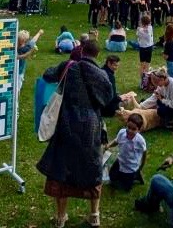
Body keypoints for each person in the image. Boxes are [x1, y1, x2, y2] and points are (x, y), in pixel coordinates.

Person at [37, 38, 119, 228]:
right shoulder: (102, 75)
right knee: (94, 168)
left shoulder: (69, 66)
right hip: (91, 125)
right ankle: (94, 214)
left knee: (62, 170)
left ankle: (60, 217)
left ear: (82, 51)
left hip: (66, 122)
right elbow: (108, 100)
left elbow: (47, 74)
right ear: (97, 55)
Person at [106, 113, 148, 191]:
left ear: (139, 130)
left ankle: (136, 175)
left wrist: (141, 166)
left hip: (131, 166)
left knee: (125, 188)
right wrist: (108, 145)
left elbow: (144, 153)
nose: (129, 131)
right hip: (120, 161)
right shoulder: (122, 132)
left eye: (133, 129)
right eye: (128, 127)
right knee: (112, 177)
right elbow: (117, 141)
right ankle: (127, 175)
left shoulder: (140, 141)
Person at [135, 15, 155, 86]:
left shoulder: (139, 29)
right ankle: (145, 82)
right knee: (147, 65)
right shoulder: (150, 28)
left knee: (142, 65)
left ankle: (142, 82)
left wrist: (140, 27)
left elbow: (137, 35)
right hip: (149, 47)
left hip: (142, 47)